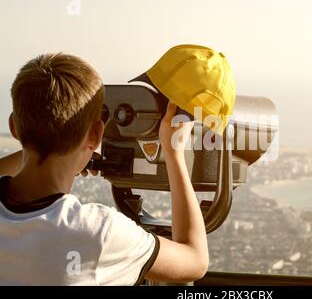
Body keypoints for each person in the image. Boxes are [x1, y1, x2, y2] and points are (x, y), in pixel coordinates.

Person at [0, 53, 208, 285]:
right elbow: (194, 261)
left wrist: (45, 142)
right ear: (96, 134)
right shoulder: (98, 233)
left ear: (14, 127)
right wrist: (174, 154)